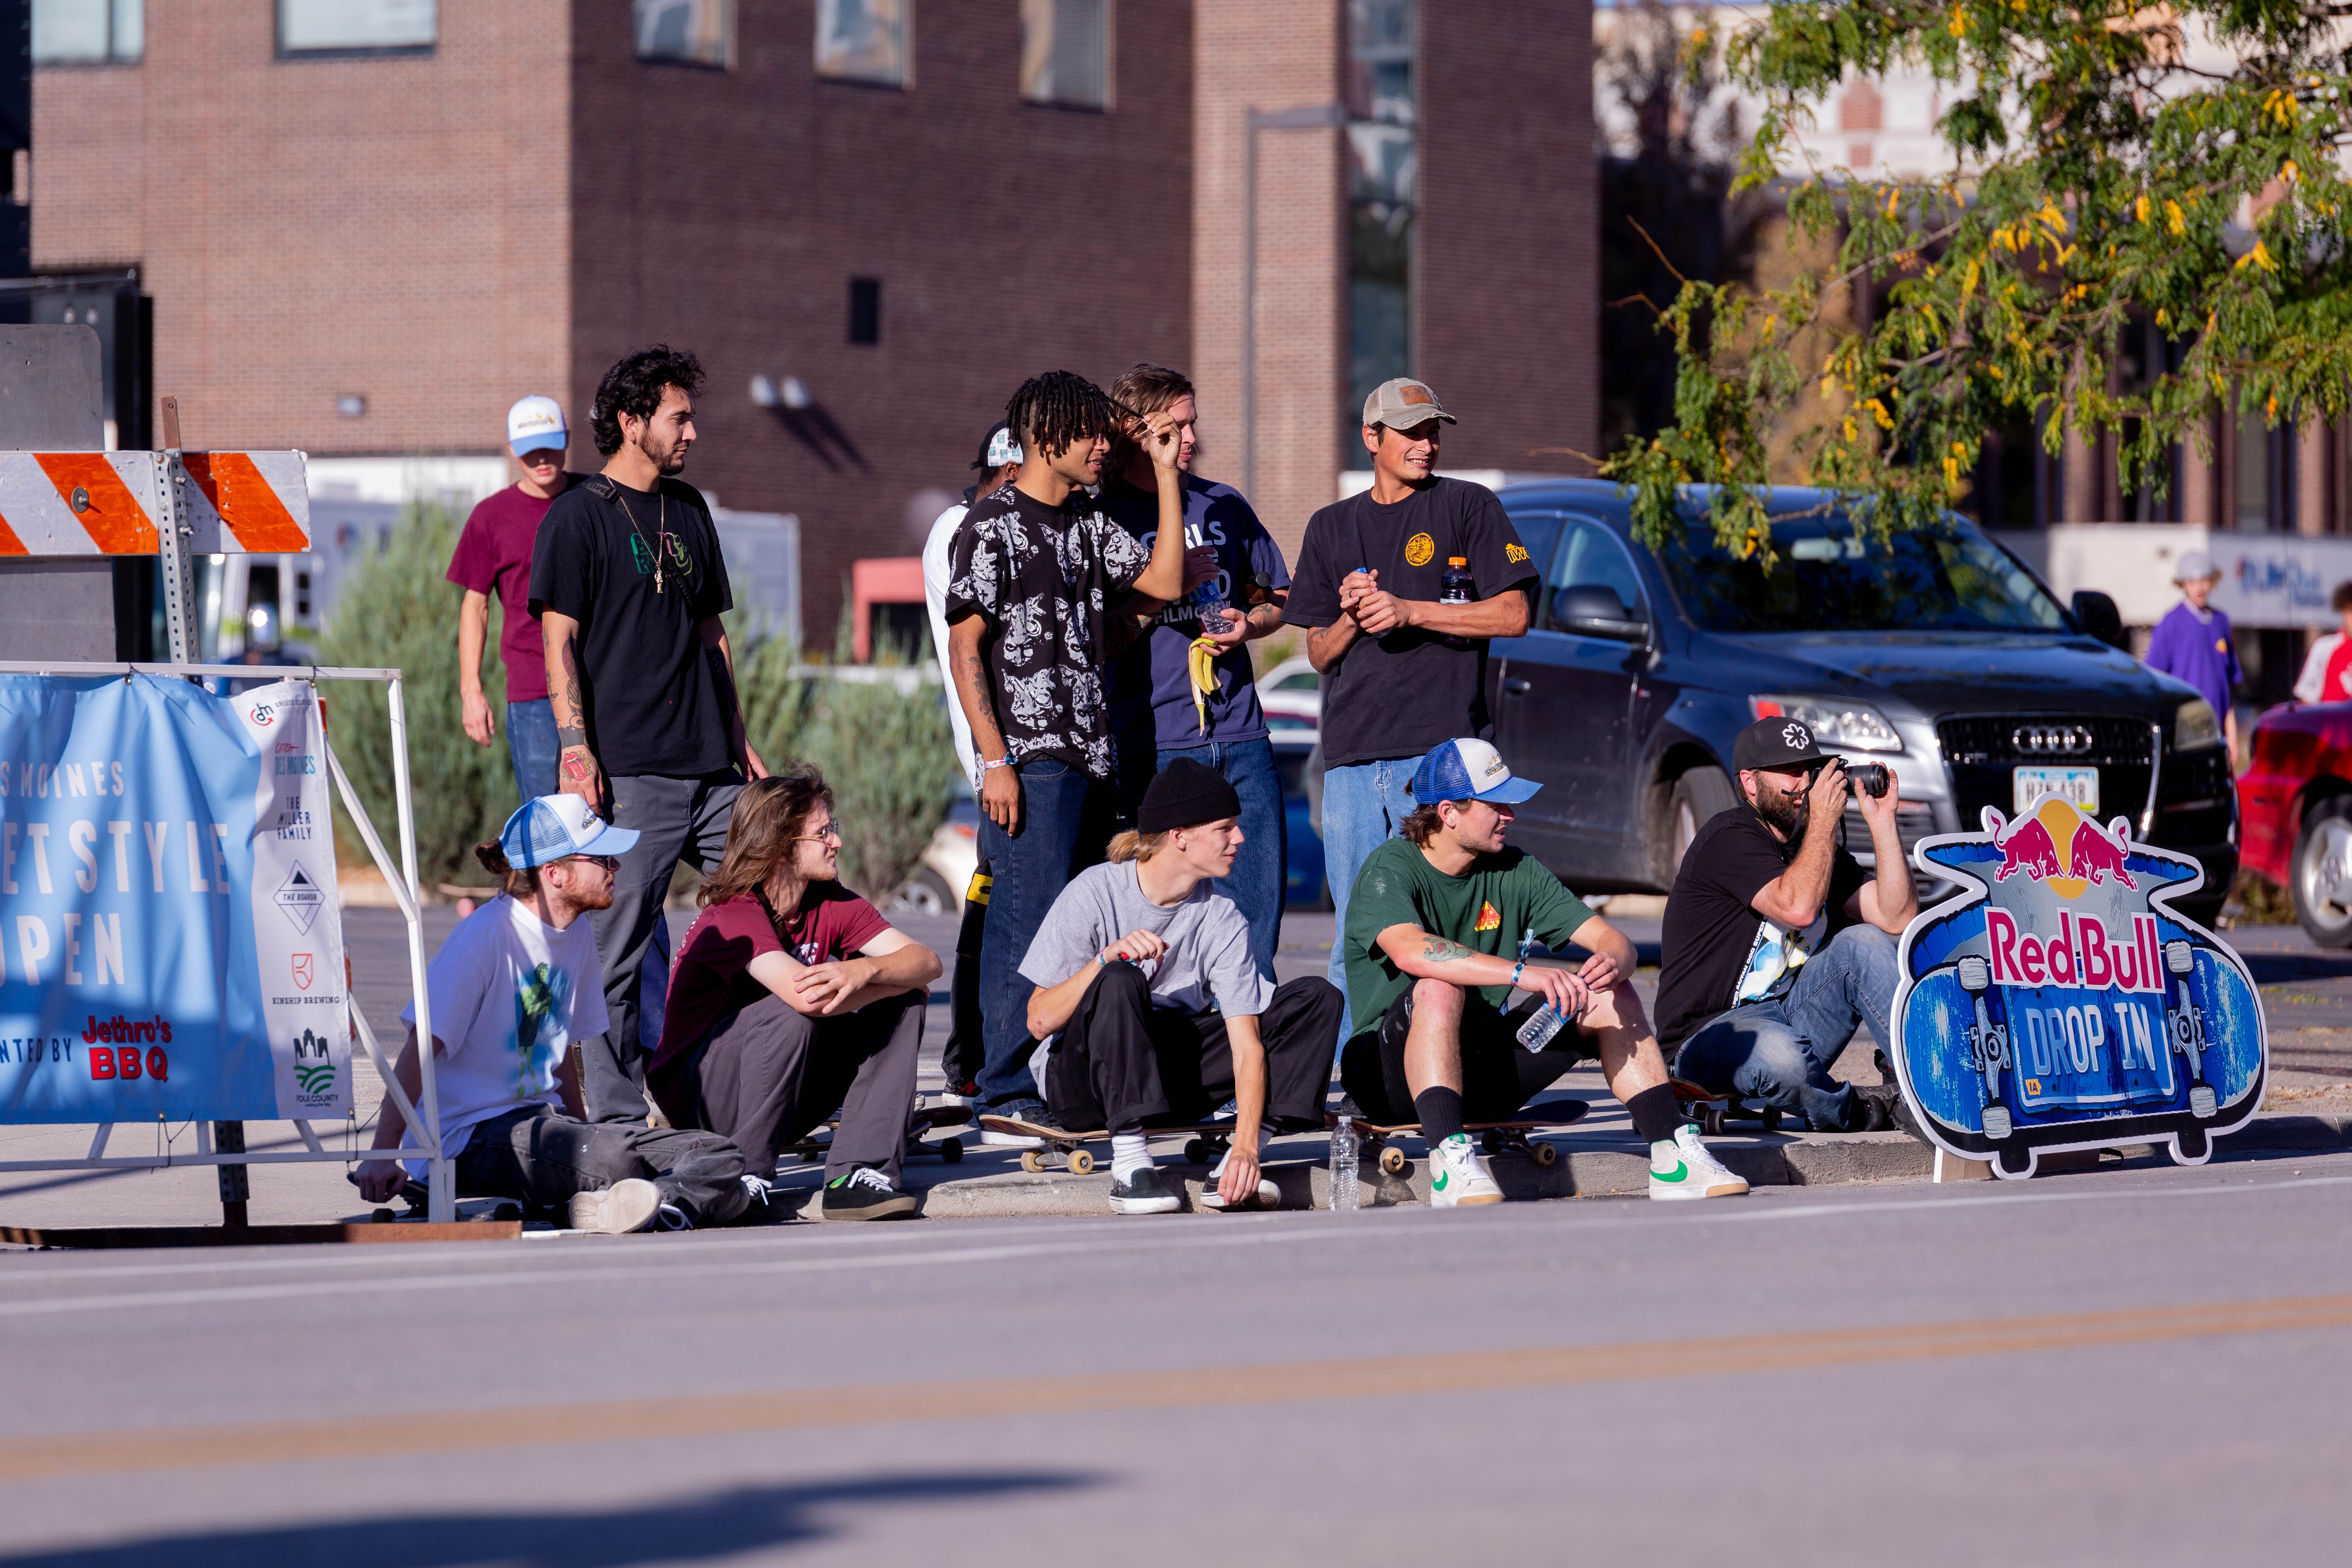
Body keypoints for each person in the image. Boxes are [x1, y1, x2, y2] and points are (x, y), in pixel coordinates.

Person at [1341, 738, 1749, 1205]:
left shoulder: (1516, 868)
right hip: (1386, 1078)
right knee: (1438, 986)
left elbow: (1614, 941)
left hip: (1480, 1066)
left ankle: (1673, 1154)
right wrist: (1523, 974)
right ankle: (1448, 1161)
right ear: (1449, 812)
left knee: (1609, 994)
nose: (1511, 815)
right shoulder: (1389, 868)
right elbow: (1413, 952)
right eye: (1497, 804)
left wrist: (1612, 962)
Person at [944, 370, 1189, 1136]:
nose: (1102, 450)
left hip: (1094, 756)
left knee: (1077, 925)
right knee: (1023, 924)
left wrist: (1167, 473)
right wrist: (995, 762)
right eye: (1089, 435)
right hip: (1031, 761)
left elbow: (1165, 580)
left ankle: (1058, 1076)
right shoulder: (991, 526)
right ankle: (1003, 1085)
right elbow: (964, 648)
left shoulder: (1087, 522)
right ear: (1047, 437)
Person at [532, 345, 769, 1122]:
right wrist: (576, 745)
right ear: (632, 423)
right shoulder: (577, 516)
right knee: (618, 956)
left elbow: (713, 639)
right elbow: (558, 637)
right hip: (631, 771)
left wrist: (742, 743)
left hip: (713, 768)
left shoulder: (691, 510)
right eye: (680, 417)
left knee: (780, 894)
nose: (692, 432)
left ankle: (747, 1083)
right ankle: (614, 1120)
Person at [356, 795, 753, 1232]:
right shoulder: (485, 937)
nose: (615, 867)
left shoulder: (576, 931)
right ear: (555, 874)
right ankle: (653, 1199)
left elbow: (560, 1045)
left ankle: (654, 1206)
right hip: (466, 1138)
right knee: (617, 1159)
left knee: (720, 1152)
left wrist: (585, 1133)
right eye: (602, 858)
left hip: (544, 1129)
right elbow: (420, 1048)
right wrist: (382, 1155)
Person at [1283, 378, 1539, 1037]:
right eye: (1413, 433)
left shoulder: (1468, 507)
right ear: (1372, 439)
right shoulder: (1330, 526)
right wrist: (1354, 616)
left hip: (1438, 763)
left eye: (1434, 431)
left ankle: (1454, 1070)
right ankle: (1354, 1089)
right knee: (1357, 933)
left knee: (1444, 925)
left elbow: (1515, 614)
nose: (1428, 445)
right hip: (1349, 765)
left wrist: (1409, 609)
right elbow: (1318, 650)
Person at [1019, 760, 1344, 1214]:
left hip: (1168, 1080)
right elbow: (1039, 1021)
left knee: (1316, 998)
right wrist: (1104, 959)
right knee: (1119, 978)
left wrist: (1248, 1147)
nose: (1240, 839)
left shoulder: (1221, 914)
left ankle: (1233, 1169)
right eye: (1225, 828)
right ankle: (1131, 1170)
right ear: (1180, 836)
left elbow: (1247, 1047)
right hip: (1084, 1085)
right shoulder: (1095, 891)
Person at [647, 770, 942, 1221]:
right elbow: (804, 998)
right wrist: (881, 982)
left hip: (786, 1091)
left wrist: (867, 969)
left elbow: (927, 962)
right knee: (795, 1011)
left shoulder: (832, 902)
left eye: (833, 829)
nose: (837, 843)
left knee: (903, 1000)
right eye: (823, 833)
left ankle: (857, 1176)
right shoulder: (734, 913)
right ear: (782, 846)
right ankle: (742, 1179)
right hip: (702, 1096)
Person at [1100, 363, 1293, 981]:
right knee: (1159, 916)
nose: (1189, 439)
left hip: (1240, 738)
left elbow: (1278, 600)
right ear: (1134, 430)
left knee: (1256, 910)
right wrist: (1166, 587)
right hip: (1153, 744)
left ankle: (1251, 1049)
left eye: (1193, 425)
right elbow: (1102, 638)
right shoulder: (1102, 515)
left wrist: (1250, 625)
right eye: (1175, 427)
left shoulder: (1224, 504)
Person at [1655, 717, 1918, 1134]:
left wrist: (1883, 822)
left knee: (1864, 942)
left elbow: (1897, 917)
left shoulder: (1812, 848)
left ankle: (1931, 1088)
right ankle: (1866, 1110)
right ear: (1750, 783)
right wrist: (1824, 824)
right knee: (1781, 1058)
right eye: (1790, 772)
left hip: (1788, 1017)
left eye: (1810, 770)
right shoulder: (1728, 837)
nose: (1805, 783)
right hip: (1708, 1035)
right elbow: (1797, 909)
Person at [921, 420, 1025, 1100]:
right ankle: (974, 1054)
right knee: (995, 909)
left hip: (1015, 752)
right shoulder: (960, 529)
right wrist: (992, 759)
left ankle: (981, 1053)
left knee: (1001, 903)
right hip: (995, 755)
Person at [448, 395, 578, 805]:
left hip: (606, 688)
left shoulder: (597, 499)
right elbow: (475, 605)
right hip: (534, 693)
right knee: (549, 823)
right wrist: (472, 691)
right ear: (511, 450)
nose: (541, 458)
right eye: (529, 450)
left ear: (567, 441)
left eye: (550, 445)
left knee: (616, 821)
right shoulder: (491, 516)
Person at [2143, 550, 2243, 760]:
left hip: (2217, 729)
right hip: (2185, 730)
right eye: (2192, 581)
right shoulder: (2171, 623)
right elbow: (2153, 679)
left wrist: (2233, 736)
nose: (2199, 588)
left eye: (2204, 581)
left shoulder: (2221, 621)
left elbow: (2229, 687)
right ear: (2183, 584)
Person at [2292, 579, 2352, 704]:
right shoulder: (2324, 648)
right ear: (2342, 611)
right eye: (2351, 611)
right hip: (2334, 723)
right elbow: (2308, 701)